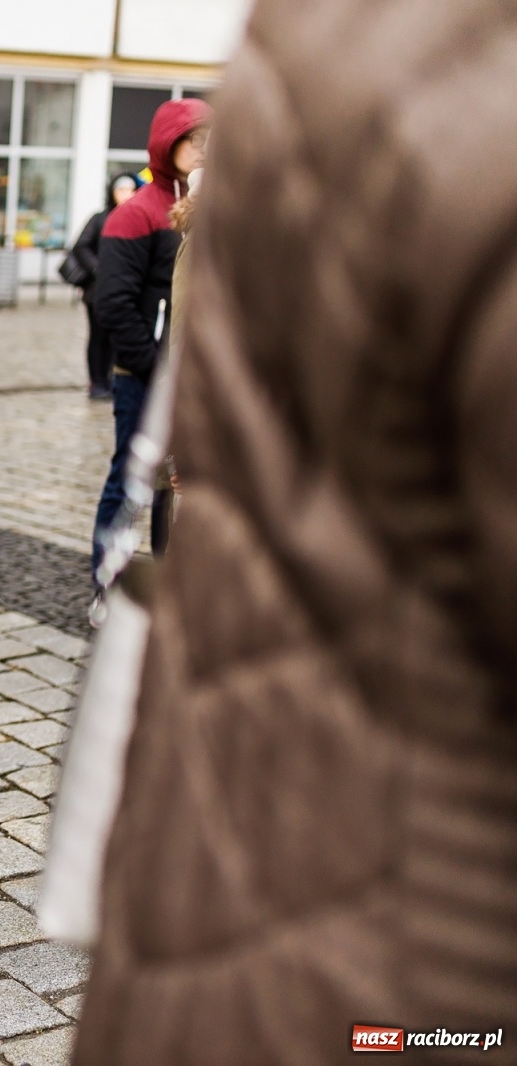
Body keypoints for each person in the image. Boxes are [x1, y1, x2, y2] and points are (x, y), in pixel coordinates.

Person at [75, 1, 517, 1058]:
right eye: (187, 147)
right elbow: (124, 301)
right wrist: (142, 363)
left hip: (272, 853)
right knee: (129, 492)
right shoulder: (155, 211)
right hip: (420, 936)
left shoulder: (319, 46)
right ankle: (111, 567)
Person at [89, 99, 209, 580]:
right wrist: (154, 366)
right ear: (168, 143)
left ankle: (166, 581)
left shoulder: (210, 204)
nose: (203, 150)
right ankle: (105, 577)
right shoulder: (137, 211)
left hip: (185, 375)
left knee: (173, 489)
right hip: (142, 376)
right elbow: (113, 303)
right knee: (130, 481)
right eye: (193, 139)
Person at [66, 172, 138, 400]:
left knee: (118, 336)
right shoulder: (100, 218)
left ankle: (111, 378)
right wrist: (99, 268)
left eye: (130, 190)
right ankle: (97, 381)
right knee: (98, 336)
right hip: (98, 290)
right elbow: (81, 246)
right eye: (121, 190)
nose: (125, 195)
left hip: (126, 289)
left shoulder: (137, 218)